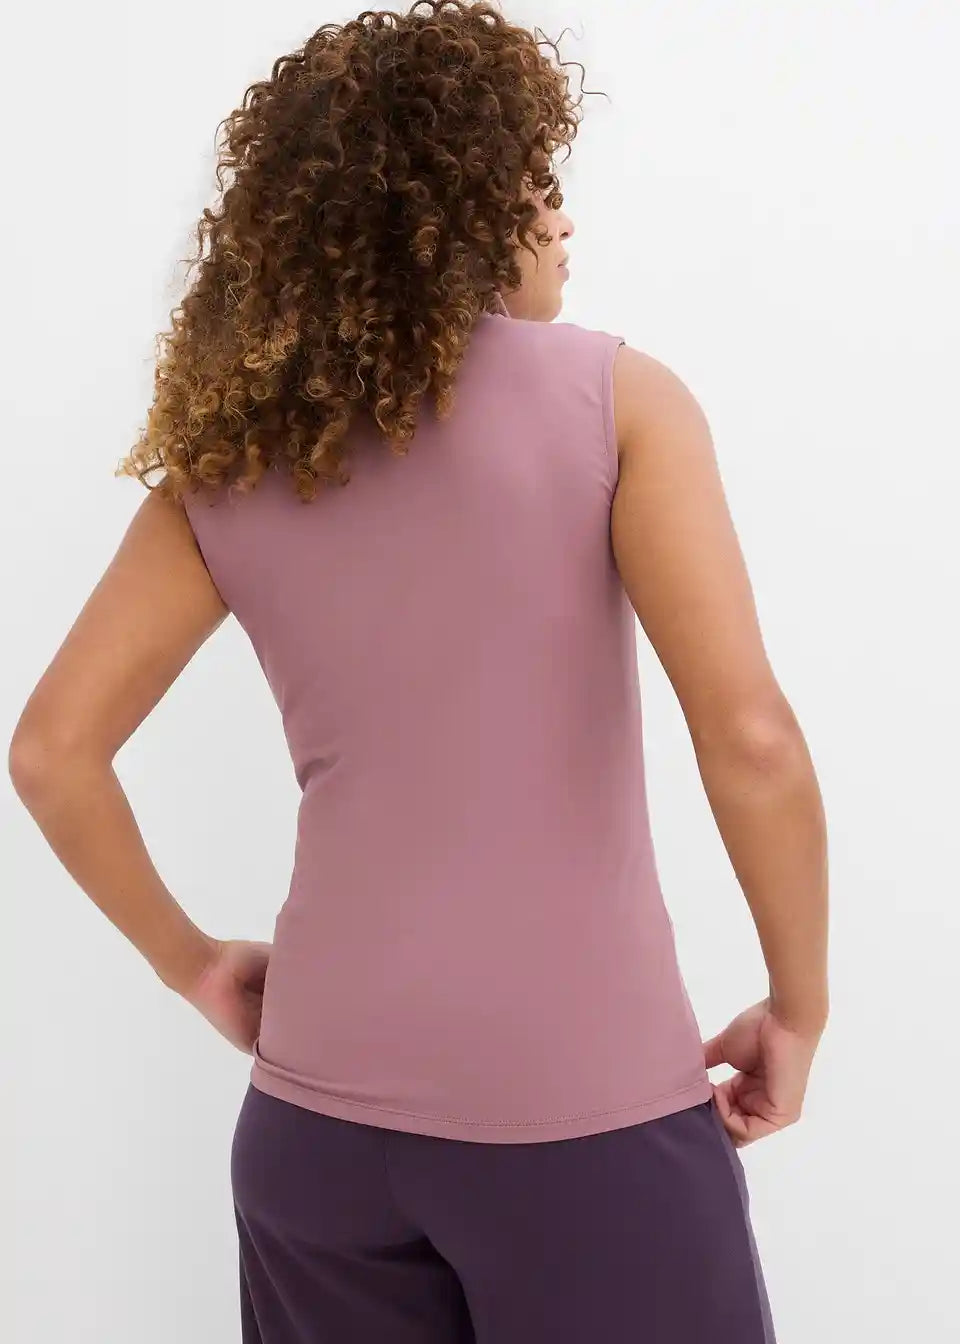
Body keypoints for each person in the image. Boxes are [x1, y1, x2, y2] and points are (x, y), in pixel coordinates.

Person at [8, 3, 828, 1340]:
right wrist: (800, 1004)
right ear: (460, 205)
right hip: (582, 1125)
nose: (562, 217)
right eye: (536, 182)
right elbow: (753, 741)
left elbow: (52, 751)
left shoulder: (233, 459)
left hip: (312, 1143)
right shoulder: (620, 402)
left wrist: (192, 965)